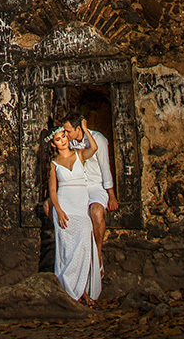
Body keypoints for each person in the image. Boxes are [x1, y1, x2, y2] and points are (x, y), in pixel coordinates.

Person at [47, 117, 102, 305]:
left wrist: (86, 130)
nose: (62, 140)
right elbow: (53, 191)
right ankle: (70, 291)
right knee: (66, 250)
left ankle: (83, 290)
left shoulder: (79, 154)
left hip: (80, 205)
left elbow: (93, 149)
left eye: (64, 137)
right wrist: (59, 211)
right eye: (58, 139)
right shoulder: (54, 164)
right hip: (64, 205)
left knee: (84, 247)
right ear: (53, 144)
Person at [73, 102, 119, 271]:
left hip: (95, 186)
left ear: (78, 128)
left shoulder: (97, 138)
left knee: (97, 212)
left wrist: (111, 196)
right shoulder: (68, 142)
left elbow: (105, 167)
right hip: (78, 186)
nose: (67, 134)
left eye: (70, 130)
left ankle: (97, 255)